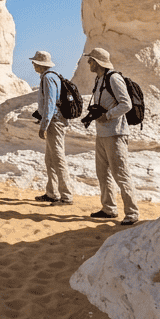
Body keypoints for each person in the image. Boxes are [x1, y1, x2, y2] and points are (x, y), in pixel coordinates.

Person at [84, 47, 139, 225]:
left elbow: (126, 104)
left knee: (120, 173)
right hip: (102, 133)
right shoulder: (99, 79)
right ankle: (109, 209)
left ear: (98, 62)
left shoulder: (114, 78)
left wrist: (107, 115)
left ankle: (132, 213)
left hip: (115, 133)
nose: (88, 63)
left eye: (90, 60)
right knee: (103, 173)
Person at [30, 50, 74, 205]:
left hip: (54, 123)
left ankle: (66, 196)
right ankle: (52, 193)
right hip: (54, 122)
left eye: (34, 62)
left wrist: (44, 125)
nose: (33, 64)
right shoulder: (51, 76)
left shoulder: (48, 78)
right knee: (50, 159)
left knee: (58, 159)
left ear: (40, 64)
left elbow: (50, 103)